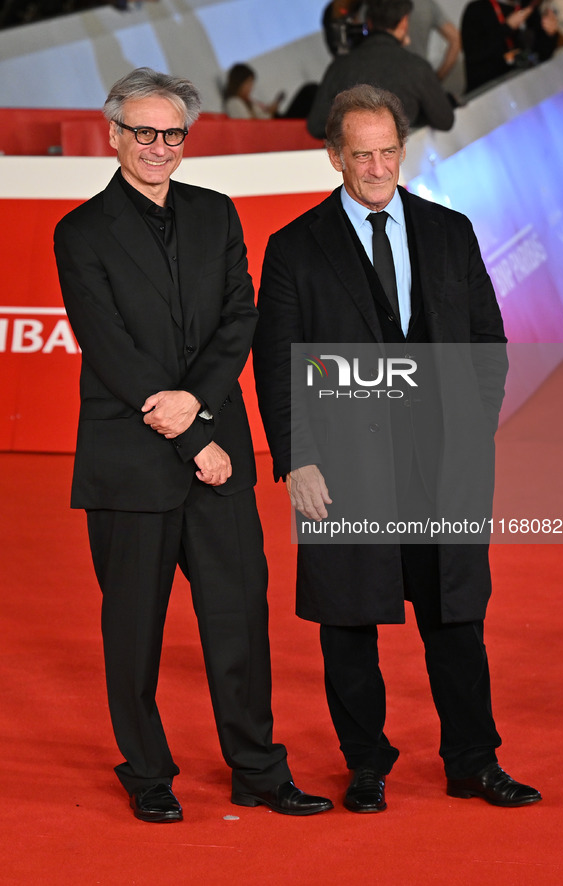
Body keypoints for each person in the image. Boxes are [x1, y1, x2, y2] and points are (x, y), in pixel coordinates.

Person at [53, 67, 333, 823]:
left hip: (220, 459)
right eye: (142, 131)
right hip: (132, 463)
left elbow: (236, 321)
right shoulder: (78, 232)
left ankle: (258, 771)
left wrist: (201, 417)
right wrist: (192, 438)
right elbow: (111, 352)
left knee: (240, 619)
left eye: (171, 132)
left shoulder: (217, 213)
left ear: (186, 138)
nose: (157, 146)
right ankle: (146, 773)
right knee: (133, 632)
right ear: (113, 135)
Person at [253, 83, 542, 813]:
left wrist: (475, 428)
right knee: (348, 622)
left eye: (388, 152)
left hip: (442, 463)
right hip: (345, 467)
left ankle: (473, 761)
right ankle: (365, 766)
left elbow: (486, 339)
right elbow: (278, 358)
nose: (377, 168)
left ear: (401, 150)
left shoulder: (449, 232)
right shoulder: (294, 247)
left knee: (455, 617)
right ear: (333, 157)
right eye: (361, 156)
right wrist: (296, 459)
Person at [307, 0, 454, 139]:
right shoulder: (417, 67)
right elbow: (445, 120)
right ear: (404, 22)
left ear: (368, 23)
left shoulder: (339, 67)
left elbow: (316, 126)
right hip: (402, 161)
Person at [461, 0, 558, 93]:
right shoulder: (476, 10)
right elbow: (474, 56)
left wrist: (550, 35)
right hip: (489, 93)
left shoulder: (527, 6)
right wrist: (507, 27)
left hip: (526, 87)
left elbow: (541, 56)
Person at [406, 0, 461, 81]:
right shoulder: (426, 4)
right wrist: (437, 78)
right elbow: (456, 39)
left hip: (388, 80)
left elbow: (456, 40)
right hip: (419, 80)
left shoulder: (383, 6)